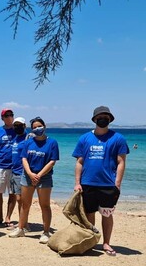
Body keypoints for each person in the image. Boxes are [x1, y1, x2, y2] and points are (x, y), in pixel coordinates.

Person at [72, 106, 129, 256]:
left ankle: (106, 243)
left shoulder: (118, 138)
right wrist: (77, 182)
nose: (103, 119)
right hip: (87, 183)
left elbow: (121, 162)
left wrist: (117, 184)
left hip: (108, 184)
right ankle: (91, 241)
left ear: (110, 119)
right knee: (89, 214)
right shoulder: (85, 138)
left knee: (106, 214)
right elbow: (79, 162)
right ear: (94, 119)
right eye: (100, 116)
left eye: (106, 116)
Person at [9, 117, 59, 244]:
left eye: (39, 126)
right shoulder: (28, 143)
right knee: (25, 204)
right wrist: (31, 174)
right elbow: (24, 159)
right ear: (32, 129)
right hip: (27, 176)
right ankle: (21, 228)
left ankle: (46, 232)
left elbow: (52, 161)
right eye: (35, 127)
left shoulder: (52, 143)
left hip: (45, 177)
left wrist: (39, 175)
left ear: (44, 126)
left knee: (45, 205)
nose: (37, 129)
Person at [0, 109, 17, 226]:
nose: (9, 117)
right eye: (6, 115)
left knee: (13, 193)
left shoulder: (19, 130)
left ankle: (8, 217)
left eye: (11, 115)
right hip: (1, 166)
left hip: (15, 167)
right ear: (2, 118)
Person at [8, 117, 28, 231]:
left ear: (25, 126)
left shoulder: (28, 138)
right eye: (15, 125)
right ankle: (22, 222)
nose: (17, 127)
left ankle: (24, 224)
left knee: (23, 200)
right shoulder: (16, 138)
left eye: (20, 125)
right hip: (14, 171)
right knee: (19, 198)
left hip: (23, 172)